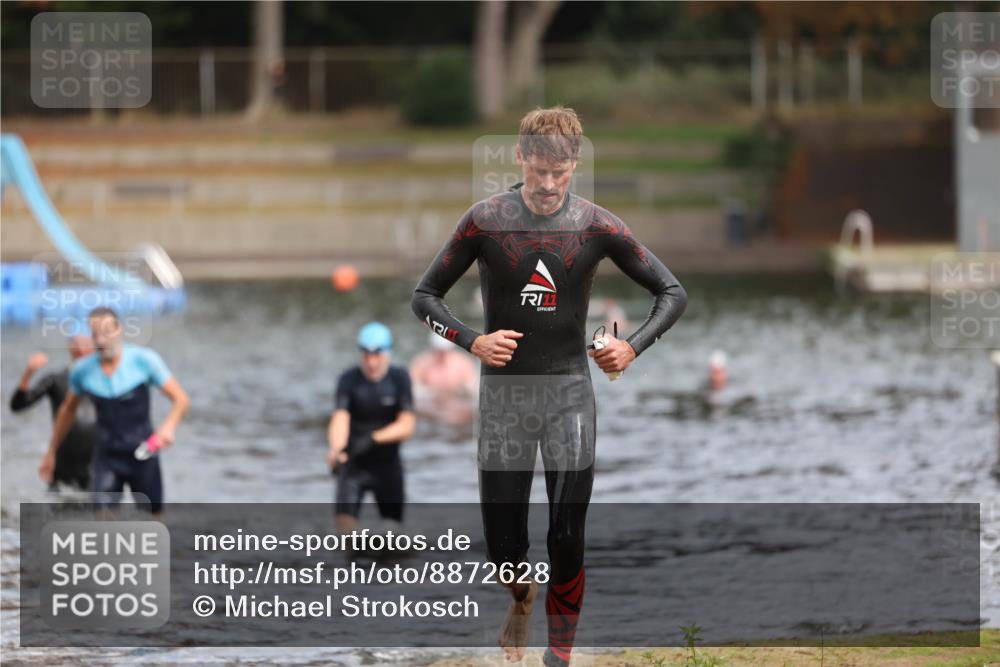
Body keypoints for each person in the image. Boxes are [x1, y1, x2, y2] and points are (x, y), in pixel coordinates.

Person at [411, 107, 687, 666]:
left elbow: (672, 293)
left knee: (566, 537)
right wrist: (472, 341)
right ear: (519, 158)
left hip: (569, 395)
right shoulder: (485, 221)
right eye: (538, 171)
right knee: (505, 549)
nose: (547, 185)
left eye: (559, 175)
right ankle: (520, 598)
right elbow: (425, 297)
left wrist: (630, 346)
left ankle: (558, 658)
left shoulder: (597, 226)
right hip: (503, 398)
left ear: (575, 166)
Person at [38, 307, 189, 516]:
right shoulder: (82, 371)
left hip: (143, 453)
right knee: (103, 520)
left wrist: (168, 427)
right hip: (106, 457)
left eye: (107, 332)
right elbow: (67, 411)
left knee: (153, 521)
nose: (102, 340)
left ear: (120, 329)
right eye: (96, 334)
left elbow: (180, 399)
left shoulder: (143, 360)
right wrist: (51, 452)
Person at [327, 322, 416, 534]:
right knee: (344, 536)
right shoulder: (348, 380)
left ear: (388, 354)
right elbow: (340, 417)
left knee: (393, 537)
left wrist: (373, 439)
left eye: (377, 355)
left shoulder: (399, 378)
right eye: (366, 355)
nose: (371, 362)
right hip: (353, 466)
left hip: (388, 468)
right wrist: (336, 450)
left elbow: (407, 425)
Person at [10, 336, 97, 490]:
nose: (82, 349)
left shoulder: (107, 381)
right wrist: (29, 372)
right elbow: (18, 406)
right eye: (77, 344)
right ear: (70, 347)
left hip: (96, 461)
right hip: (63, 460)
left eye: (87, 344)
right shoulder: (55, 380)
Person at [409, 332, 478, 427]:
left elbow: (472, 390)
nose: (442, 355)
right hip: (431, 404)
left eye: (445, 351)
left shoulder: (463, 364)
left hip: (455, 402)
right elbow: (412, 389)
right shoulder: (422, 363)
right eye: (439, 351)